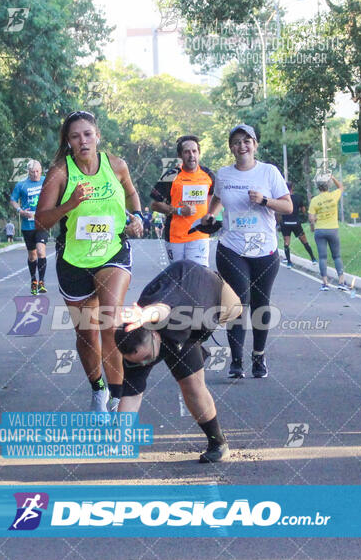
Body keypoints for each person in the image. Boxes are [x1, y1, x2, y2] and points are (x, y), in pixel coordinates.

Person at [35, 110, 143, 413]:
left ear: (97, 136)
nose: (83, 140)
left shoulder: (116, 165)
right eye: (75, 136)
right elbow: (41, 221)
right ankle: (98, 389)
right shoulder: (60, 173)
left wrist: (137, 217)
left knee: (110, 322)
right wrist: (70, 204)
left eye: (87, 134)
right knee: (86, 332)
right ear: (68, 142)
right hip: (75, 260)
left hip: (112, 252)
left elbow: (132, 194)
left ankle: (121, 400)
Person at [114, 260, 242, 462]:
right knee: (191, 383)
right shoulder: (133, 343)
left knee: (237, 310)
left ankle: (193, 343)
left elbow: (162, 308)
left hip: (209, 288)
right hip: (180, 330)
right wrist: (121, 437)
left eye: (147, 357)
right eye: (139, 361)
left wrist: (147, 313)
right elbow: (131, 396)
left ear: (155, 334)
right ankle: (218, 443)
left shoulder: (170, 317)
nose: (145, 363)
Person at [202, 124, 292, 380]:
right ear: (231, 147)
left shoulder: (269, 172)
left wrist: (264, 200)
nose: (242, 146)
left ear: (255, 145)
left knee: (261, 304)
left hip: (264, 248)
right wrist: (211, 214)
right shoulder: (224, 174)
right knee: (238, 302)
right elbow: (218, 199)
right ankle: (237, 361)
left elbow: (287, 206)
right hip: (232, 247)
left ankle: (259, 356)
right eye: (237, 142)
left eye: (247, 141)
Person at [150, 135, 215, 267]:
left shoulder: (208, 175)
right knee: (178, 278)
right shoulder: (171, 175)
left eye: (194, 151)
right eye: (187, 152)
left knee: (198, 275)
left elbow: (215, 197)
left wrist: (211, 214)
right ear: (180, 156)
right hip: (175, 237)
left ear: (199, 153)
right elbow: (155, 204)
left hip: (199, 235)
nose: (191, 155)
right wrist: (178, 210)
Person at [10, 160, 48, 295]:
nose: (36, 174)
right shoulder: (21, 185)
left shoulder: (46, 180)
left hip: (42, 223)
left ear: (41, 170)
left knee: (41, 251)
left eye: (38, 171)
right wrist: (20, 211)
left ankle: (42, 282)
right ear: (28, 172)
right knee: (32, 256)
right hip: (28, 225)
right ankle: (34, 280)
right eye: (33, 172)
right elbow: (13, 200)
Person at [308, 175, 348, 291]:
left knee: (322, 257)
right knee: (336, 256)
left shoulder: (314, 200)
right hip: (333, 230)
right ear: (328, 185)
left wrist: (316, 219)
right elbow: (341, 187)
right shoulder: (333, 196)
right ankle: (341, 281)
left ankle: (325, 283)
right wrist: (333, 177)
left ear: (318, 187)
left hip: (320, 231)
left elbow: (311, 219)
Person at [279, 181, 317, 268]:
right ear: (292, 188)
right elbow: (303, 210)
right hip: (296, 223)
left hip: (285, 223)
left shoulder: (282, 198)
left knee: (286, 243)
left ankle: (289, 262)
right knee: (304, 241)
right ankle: (313, 259)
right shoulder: (298, 197)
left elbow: (279, 211)